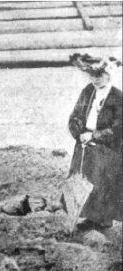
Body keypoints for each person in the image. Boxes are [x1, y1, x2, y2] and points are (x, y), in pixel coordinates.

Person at [67, 53, 122, 229]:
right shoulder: (88, 92)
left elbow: (119, 127)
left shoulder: (117, 97)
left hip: (107, 146)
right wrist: (80, 133)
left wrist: (95, 136)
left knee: (100, 179)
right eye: (91, 75)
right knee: (80, 177)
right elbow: (75, 116)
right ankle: (83, 216)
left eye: (98, 75)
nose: (95, 79)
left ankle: (101, 221)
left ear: (108, 74)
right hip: (84, 141)